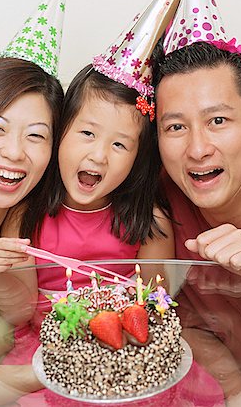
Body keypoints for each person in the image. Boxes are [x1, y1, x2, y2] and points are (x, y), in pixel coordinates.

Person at [153, 41, 241, 403]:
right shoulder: (156, 200)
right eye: (176, 127)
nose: (198, 149)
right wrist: (237, 392)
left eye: (218, 120)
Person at [0, 56, 63, 366]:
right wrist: (73, 370)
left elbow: (19, 315)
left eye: (35, 135)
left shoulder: (23, 226)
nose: (15, 152)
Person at [35, 63, 174, 295]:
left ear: (137, 159)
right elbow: (15, 308)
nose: (99, 156)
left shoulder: (150, 224)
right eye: (88, 133)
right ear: (60, 130)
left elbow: (158, 308)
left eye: (119, 144)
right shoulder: (26, 214)